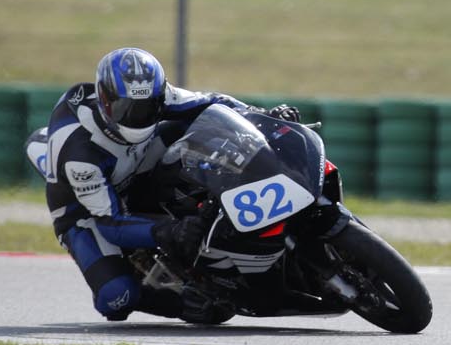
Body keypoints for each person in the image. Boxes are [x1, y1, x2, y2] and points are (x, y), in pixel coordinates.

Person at [37, 46, 302, 323]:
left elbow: (212, 103)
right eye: (126, 109)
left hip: (137, 165)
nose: (137, 116)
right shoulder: (80, 155)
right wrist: (170, 231)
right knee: (116, 297)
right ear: (105, 101)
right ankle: (178, 301)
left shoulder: (158, 94)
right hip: (87, 212)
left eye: (146, 108)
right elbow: (111, 223)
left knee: (198, 125)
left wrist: (261, 116)